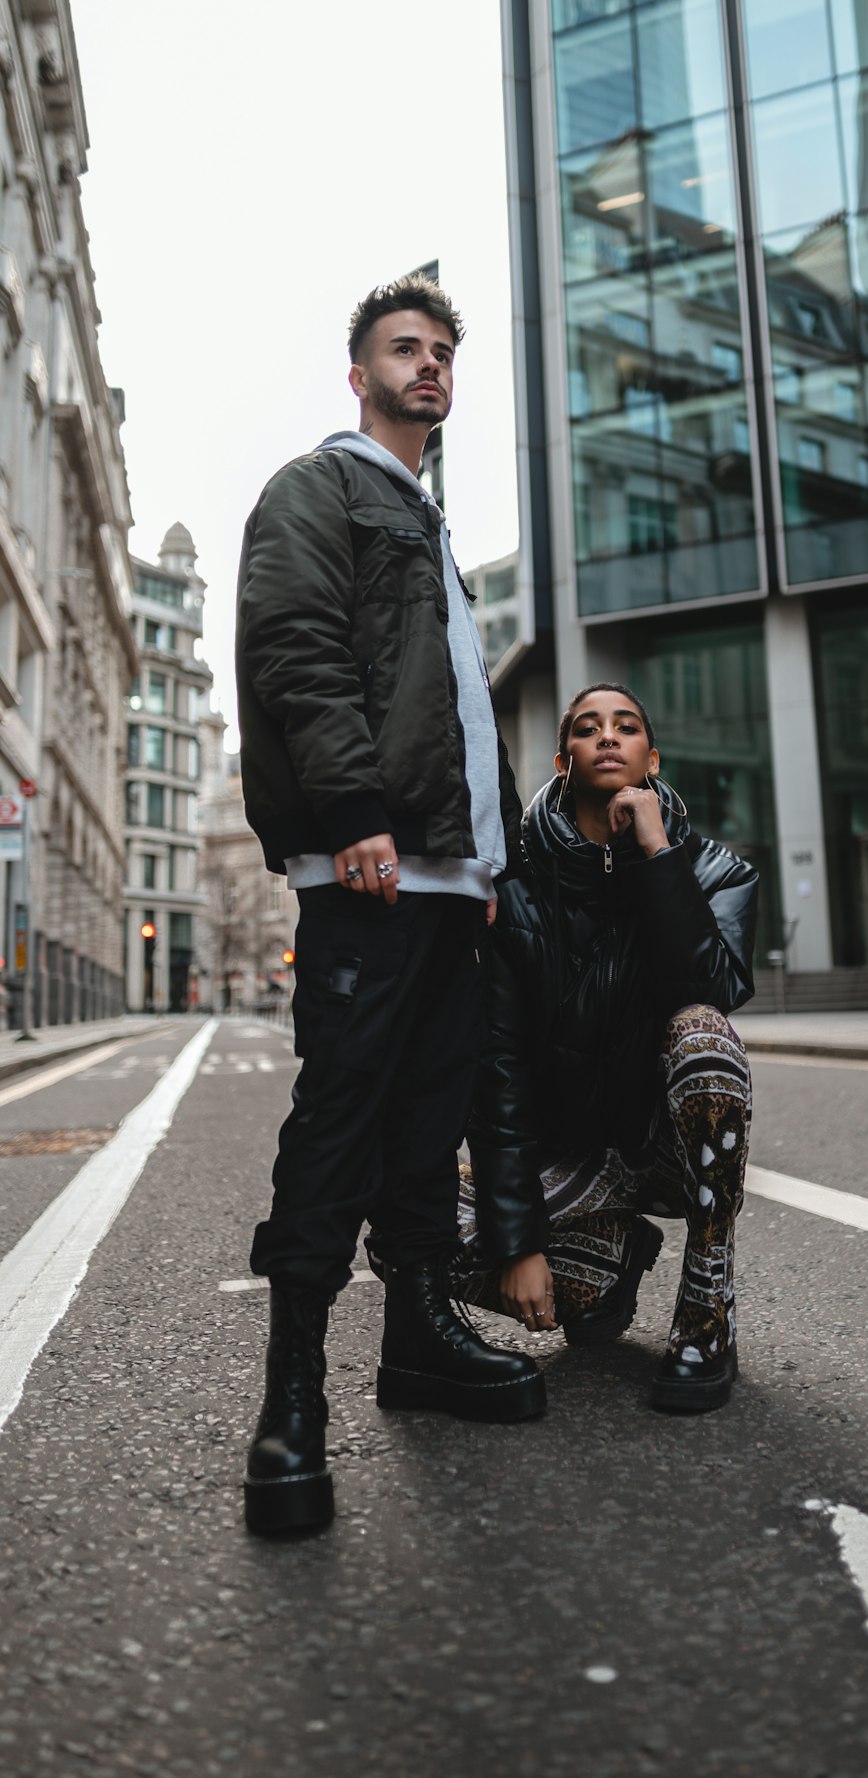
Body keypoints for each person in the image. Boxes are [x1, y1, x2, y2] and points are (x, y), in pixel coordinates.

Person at [235, 274, 545, 1537]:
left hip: (444, 874)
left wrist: (487, 863)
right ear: (357, 371)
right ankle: (290, 1398)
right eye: (403, 350)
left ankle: (415, 1339)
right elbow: (297, 650)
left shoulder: (425, 518)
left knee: (428, 1123)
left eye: (440, 354)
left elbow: (459, 713)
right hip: (371, 864)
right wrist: (359, 813)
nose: (428, 367)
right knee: (342, 1118)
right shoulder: (323, 488)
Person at [462, 682, 758, 1412]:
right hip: (571, 1155)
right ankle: (604, 1267)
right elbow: (497, 1071)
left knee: (704, 1039)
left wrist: (656, 854)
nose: (607, 737)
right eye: (588, 729)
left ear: (649, 758)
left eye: (625, 727)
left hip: (664, 1148)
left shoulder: (716, 871)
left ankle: (706, 1310)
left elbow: (711, 989)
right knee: (411, 1228)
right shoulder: (516, 889)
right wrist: (520, 1241)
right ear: (564, 762)